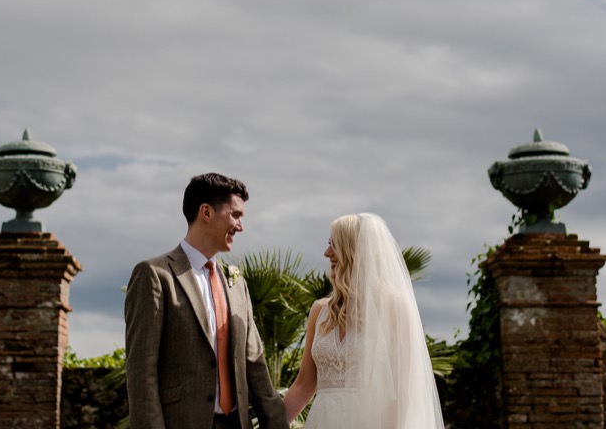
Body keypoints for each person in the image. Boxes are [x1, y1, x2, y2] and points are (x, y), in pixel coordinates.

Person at [125, 172, 288, 429]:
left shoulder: (237, 285)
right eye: (235, 215)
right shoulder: (155, 275)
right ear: (206, 212)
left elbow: (255, 365)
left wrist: (276, 423)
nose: (240, 226)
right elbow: (141, 371)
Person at [283, 213, 445, 429]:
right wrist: (270, 424)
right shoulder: (319, 311)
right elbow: (304, 385)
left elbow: (406, 391)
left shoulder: (395, 308)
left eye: (334, 244)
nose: (327, 252)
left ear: (355, 251)